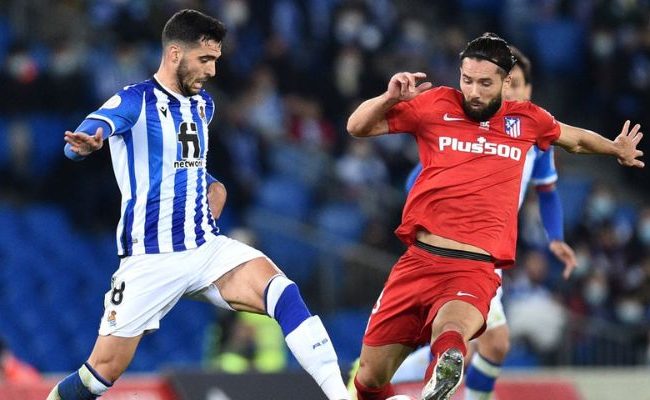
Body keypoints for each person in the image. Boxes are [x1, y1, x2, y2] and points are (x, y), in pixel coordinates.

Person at [47, 10, 350, 400]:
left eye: (216, 60)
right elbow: (88, 134)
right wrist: (87, 143)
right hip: (152, 257)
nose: (212, 70)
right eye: (205, 59)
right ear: (175, 54)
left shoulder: (203, 105)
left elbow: (185, 164)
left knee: (282, 292)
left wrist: (212, 184)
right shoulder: (135, 99)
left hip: (205, 247)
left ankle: (341, 396)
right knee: (98, 376)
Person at [346, 33, 644, 400]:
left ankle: (448, 364)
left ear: (506, 82)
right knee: (369, 378)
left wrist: (615, 148)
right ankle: (438, 366)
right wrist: (389, 98)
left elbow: (577, 140)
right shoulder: (435, 104)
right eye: (467, 80)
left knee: (455, 332)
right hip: (418, 261)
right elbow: (357, 127)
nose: (473, 92)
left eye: (485, 83)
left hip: (475, 266)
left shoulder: (528, 120)